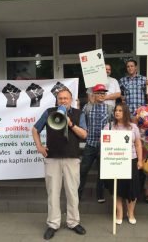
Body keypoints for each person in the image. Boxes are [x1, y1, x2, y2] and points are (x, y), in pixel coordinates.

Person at [32, 89, 88, 240]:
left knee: (72, 192)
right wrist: (40, 147)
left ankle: (73, 222)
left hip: (72, 158)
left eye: (66, 98)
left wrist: (70, 124)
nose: (63, 101)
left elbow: (84, 134)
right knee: (53, 192)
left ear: (71, 99)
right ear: (57, 100)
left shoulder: (78, 114)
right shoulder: (49, 112)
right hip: (53, 158)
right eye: (60, 98)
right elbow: (35, 129)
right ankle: (53, 224)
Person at [104, 103, 143, 225]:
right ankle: (119, 212)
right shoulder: (109, 126)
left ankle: (130, 213)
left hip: (130, 160)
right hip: (114, 161)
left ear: (125, 112)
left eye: (120, 110)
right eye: (116, 110)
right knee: (117, 188)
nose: (117, 112)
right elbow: (104, 143)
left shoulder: (133, 127)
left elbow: (138, 144)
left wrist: (140, 160)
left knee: (132, 188)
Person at [78, 84, 113, 203]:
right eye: (99, 93)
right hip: (90, 144)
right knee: (83, 170)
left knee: (102, 172)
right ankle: (78, 194)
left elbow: (113, 125)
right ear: (94, 94)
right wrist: (84, 131)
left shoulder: (110, 108)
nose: (102, 95)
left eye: (103, 93)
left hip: (104, 146)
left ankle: (100, 195)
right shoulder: (87, 108)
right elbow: (82, 122)